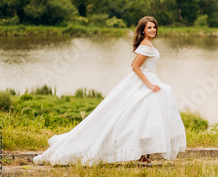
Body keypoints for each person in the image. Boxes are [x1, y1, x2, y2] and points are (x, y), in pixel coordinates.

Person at [33, 16, 186, 166]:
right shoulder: (146, 45)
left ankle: (142, 154)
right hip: (144, 83)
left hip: (147, 80)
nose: (153, 30)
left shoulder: (147, 44)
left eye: (154, 27)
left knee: (142, 117)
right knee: (136, 117)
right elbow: (135, 66)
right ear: (143, 30)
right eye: (149, 27)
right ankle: (139, 153)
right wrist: (149, 85)